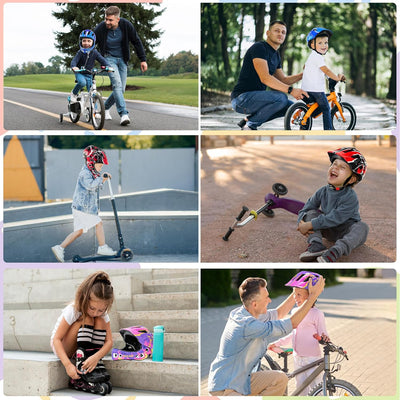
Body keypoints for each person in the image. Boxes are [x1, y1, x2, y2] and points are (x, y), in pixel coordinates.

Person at [208, 274, 325, 396]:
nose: (270, 300)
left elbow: (279, 313)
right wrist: (312, 296)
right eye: (267, 298)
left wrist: (297, 289)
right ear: (254, 304)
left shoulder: (248, 312)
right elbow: (293, 323)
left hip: (242, 380)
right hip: (226, 387)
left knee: (280, 378)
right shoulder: (247, 325)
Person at [231, 20, 308, 130]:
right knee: (281, 98)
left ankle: (250, 120)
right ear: (268, 33)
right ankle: (251, 125)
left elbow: (284, 80)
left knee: (289, 107)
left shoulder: (276, 55)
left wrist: (303, 74)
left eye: (283, 32)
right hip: (241, 99)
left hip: (256, 98)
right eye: (276, 31)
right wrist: (291, 90)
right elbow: (265, 78)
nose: (280, 34)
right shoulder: (259, 48)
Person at [298, 147, 369, 262]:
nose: (335, 167)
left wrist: (311, 224)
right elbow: (305, 209)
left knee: (362, 227)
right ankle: (316, 245)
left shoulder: (350, 197)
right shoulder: (322, 191)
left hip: (347, 231)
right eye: (334, 164)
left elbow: (335, 218)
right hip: (328, 229)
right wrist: (302, 224)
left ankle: (335, 251)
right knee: (310, 213)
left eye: (342, 167)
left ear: (351, 179)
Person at [51, 145, 116, 262]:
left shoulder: (91, 172)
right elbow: (90, 185)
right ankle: (102, 247)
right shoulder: (85, 174)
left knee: (78, 231)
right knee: (99, 223)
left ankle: (60, 248)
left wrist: (103, 179)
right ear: (92, 162)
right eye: (100, 166)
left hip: (80, 208)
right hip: (83, 208)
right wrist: (101, 179)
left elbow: (95, 184)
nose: (101, 169)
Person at [268, 271, 329, 395]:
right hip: (298, 358)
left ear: (311, 295)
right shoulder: (295, 311)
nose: (296, 297)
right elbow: (294, 333)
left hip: (312, 358)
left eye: (299, 294)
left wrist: (324, 339)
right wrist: (277, 343)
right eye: (294, 294)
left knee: (317, 387)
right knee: (300, 388)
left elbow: (323, 334)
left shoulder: (317, 314)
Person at [50, 271, 114, 384]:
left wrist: (96, 357)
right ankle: (82, 362)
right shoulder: (73, 310)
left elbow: (109, 341)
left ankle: (89, 358)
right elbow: (56, 339)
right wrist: (68, 365)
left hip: (84, 347)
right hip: (64, 347)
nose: (95, 312)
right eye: (92, 308)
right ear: (84, 299)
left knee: (100, 320)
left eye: (101, 310)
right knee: (88, 318)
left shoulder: (102, 315)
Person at [94, 5, 148, 126]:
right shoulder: (101, 28)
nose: (107, 22)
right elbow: (90, 41)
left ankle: (104, 108)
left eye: (110, 20)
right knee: (117, 85)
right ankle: (123, 114)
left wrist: (143, 59)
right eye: (106, 19)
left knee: (121, 89)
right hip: (108, 59)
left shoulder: (126, 25)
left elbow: (136, 41)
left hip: (122, 60)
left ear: (117, 19)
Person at [301, 27, 345, 130]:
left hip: (306, 89)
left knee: (314, 107)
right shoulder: (318, 57)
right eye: (320, 43)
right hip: (316, 91)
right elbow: (326, 71)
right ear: (312, 45)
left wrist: (327, 76)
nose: (324, 45)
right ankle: (328, 130)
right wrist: (337, 78)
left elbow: (309, 68)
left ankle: (305, 124)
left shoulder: (311, 56)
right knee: (326, 108)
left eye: (326, 42)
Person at [70, 29, 110, 103]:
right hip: (80, 73)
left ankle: (94, 112)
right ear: (81, 42)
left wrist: (108, 66)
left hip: (89, 74)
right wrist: (74, 66)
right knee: (82, 83)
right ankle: (74, 93)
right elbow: (74, 61)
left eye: (89, 41)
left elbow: (102, 60)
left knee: (92, 93)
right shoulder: (80, 52)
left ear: (93, 42)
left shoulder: (95, 52)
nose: (86, 43)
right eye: (84, 41)